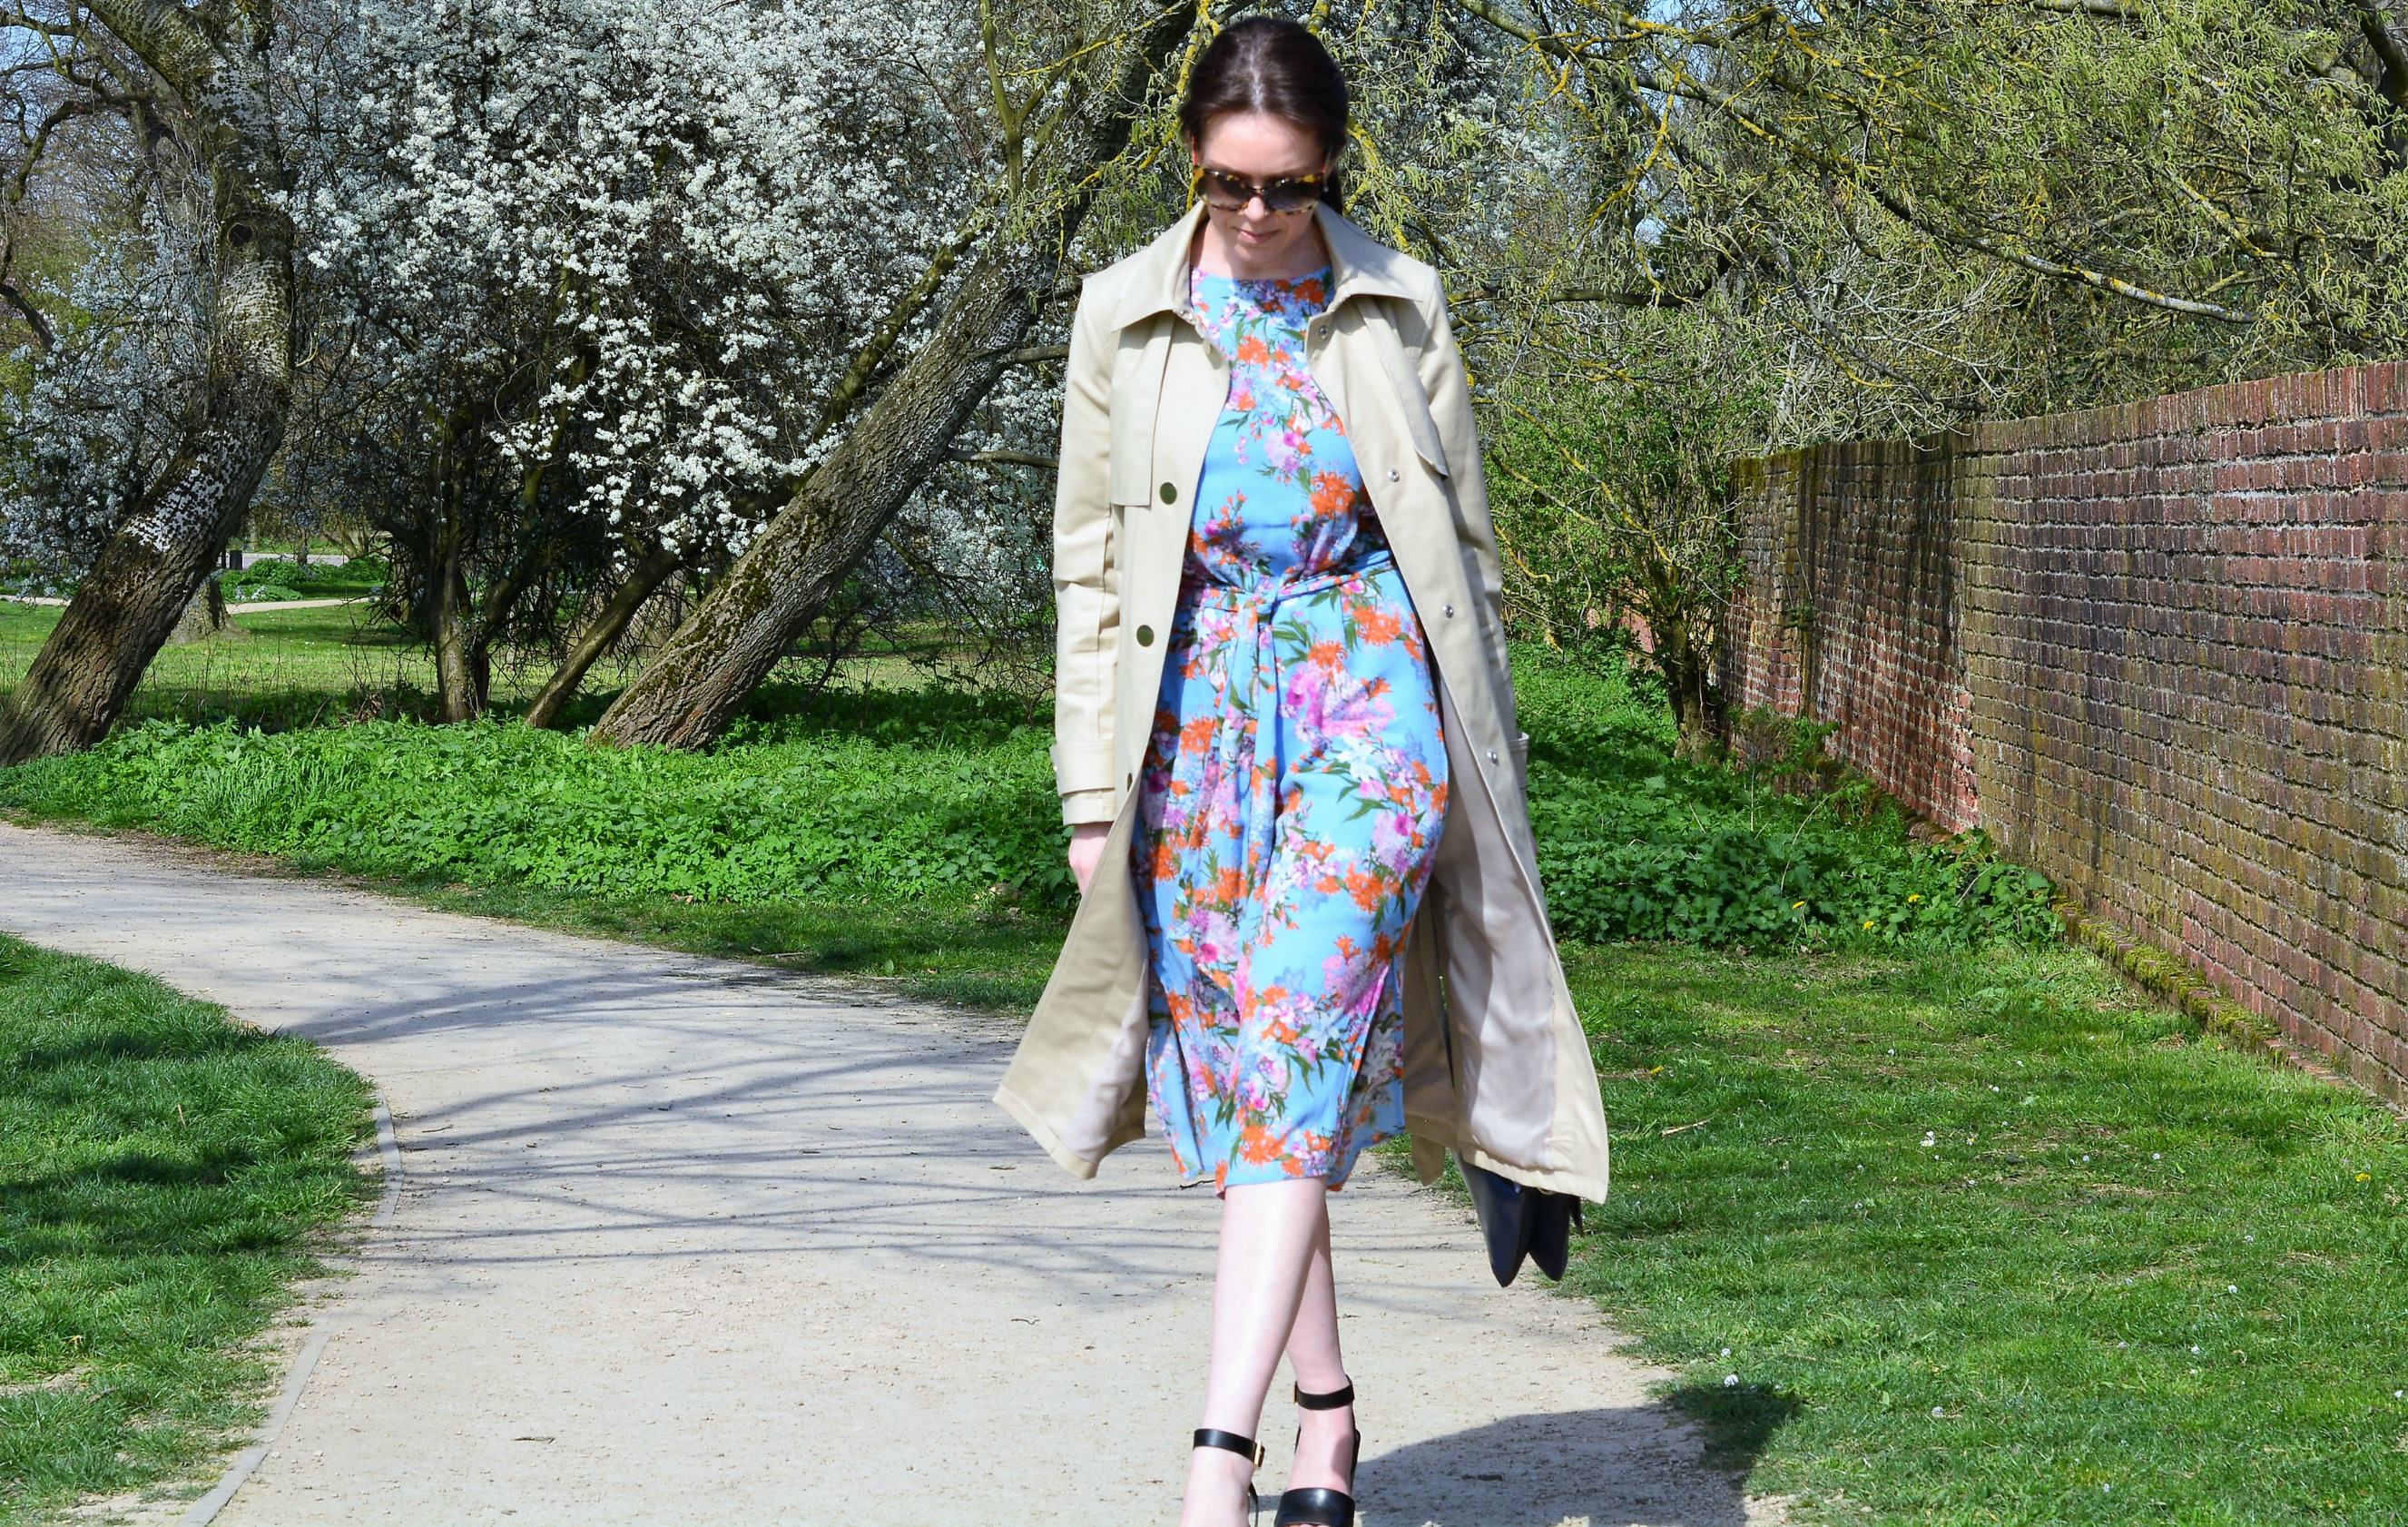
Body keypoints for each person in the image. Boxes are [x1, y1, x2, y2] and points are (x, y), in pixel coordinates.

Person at [991, 17, 1612, 1527]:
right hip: (1193, 730)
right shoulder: (1120, 313)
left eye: (1286, 185)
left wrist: (1485, 764)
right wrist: (1089, 797)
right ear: (1191, 161)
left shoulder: (1398, 303)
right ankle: (1323, 1417)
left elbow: (1460, 551)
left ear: (1329, 167)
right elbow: (1084, 571)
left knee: (1291, 1032)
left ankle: (1217, 1462)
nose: (1257, 215)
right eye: (1227, 184)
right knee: (1263, 1077)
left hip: (1371, 709)